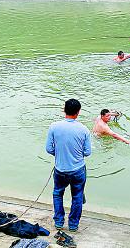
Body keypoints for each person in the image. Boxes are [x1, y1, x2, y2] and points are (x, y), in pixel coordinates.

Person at [45, 99, 91, 233]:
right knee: (77, 196)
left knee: (58, 193)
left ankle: (59, 222)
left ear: (64, 110)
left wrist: (60, 154)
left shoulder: (54, 126)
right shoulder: (84, 129)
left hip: (60, 170)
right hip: (78, 170)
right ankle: (73, 225)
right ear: (78, 112)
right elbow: (87, 152)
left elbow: (49, 149)